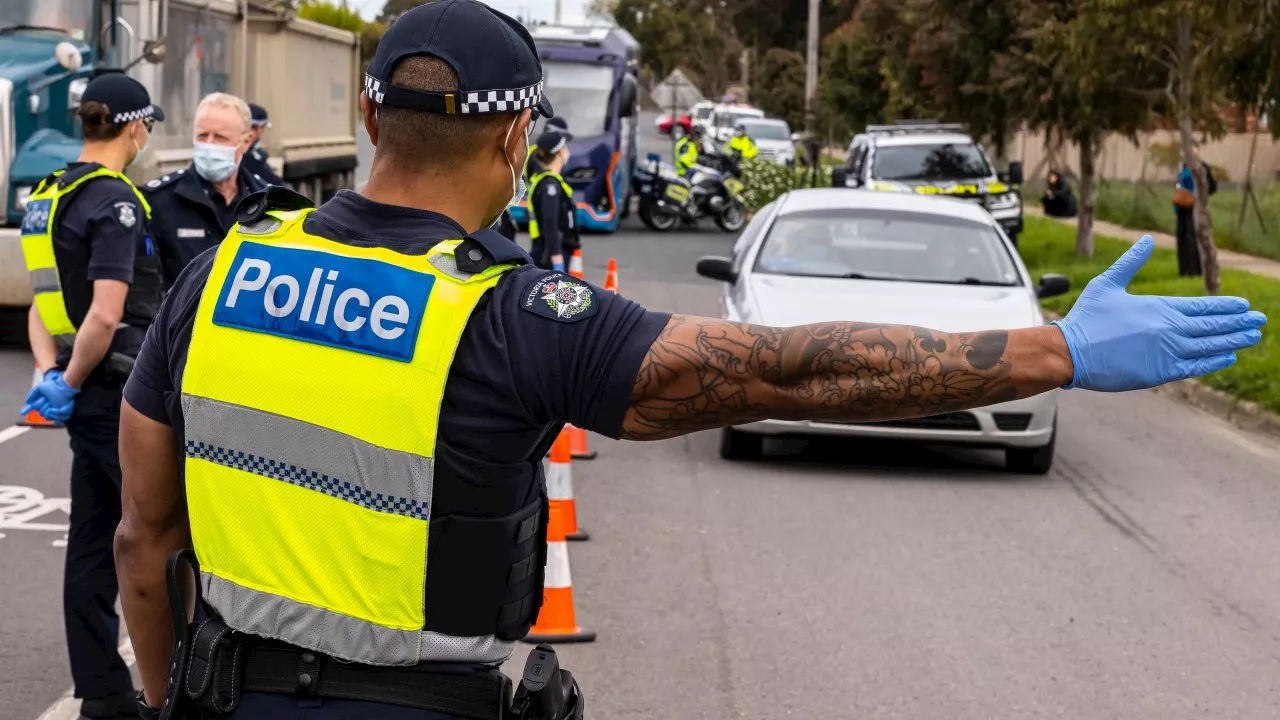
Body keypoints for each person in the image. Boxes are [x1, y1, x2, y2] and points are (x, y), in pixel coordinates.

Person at [115, 1, 1266, 718]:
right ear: (517, 136)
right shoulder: (508, 317)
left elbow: (142, 537)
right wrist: (1050, 348)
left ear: (368, 119)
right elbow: (785, 372)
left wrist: (167, 696)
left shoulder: (219, 277)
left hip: (225, 691)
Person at [19, 71, 165, 720]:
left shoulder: (44, 195)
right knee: (158, 540)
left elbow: (42, 301)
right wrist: (75, 379)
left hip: (81, 395)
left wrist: (50, 375)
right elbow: (106, 315)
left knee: (90, 546)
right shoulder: (115, 201)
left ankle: (103, 696)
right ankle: (174, 690)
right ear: (134, 127)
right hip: (122, 392)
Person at [143, 92, 267, 288]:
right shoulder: (158, 201)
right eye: (202, 135)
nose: (209, 145)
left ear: (245, 142)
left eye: (220, 137)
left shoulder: (268, 203)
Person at [528, 128, 578, 271]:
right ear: (560, 152)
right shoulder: (550, 185)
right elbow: (550, 222)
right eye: (565, 147)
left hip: (547, 251)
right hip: (549, 255)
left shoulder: (545, 180)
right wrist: (557, 258)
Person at [1174, 141, 1218, 277]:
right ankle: (1184, 270)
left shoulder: (1202, 167)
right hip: (1182, 207)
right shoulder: (1182, 166)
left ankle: (1196, 270)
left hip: (1196, 208)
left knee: (1193, 238)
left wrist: (1200, 195)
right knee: (1182, 237)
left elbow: (1212, 187)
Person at [241, 103, 286, 187]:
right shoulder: (244, 158)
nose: (258, 133)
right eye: (253, 127)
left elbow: (275, 183)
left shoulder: (258, 155)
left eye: (262, 128)